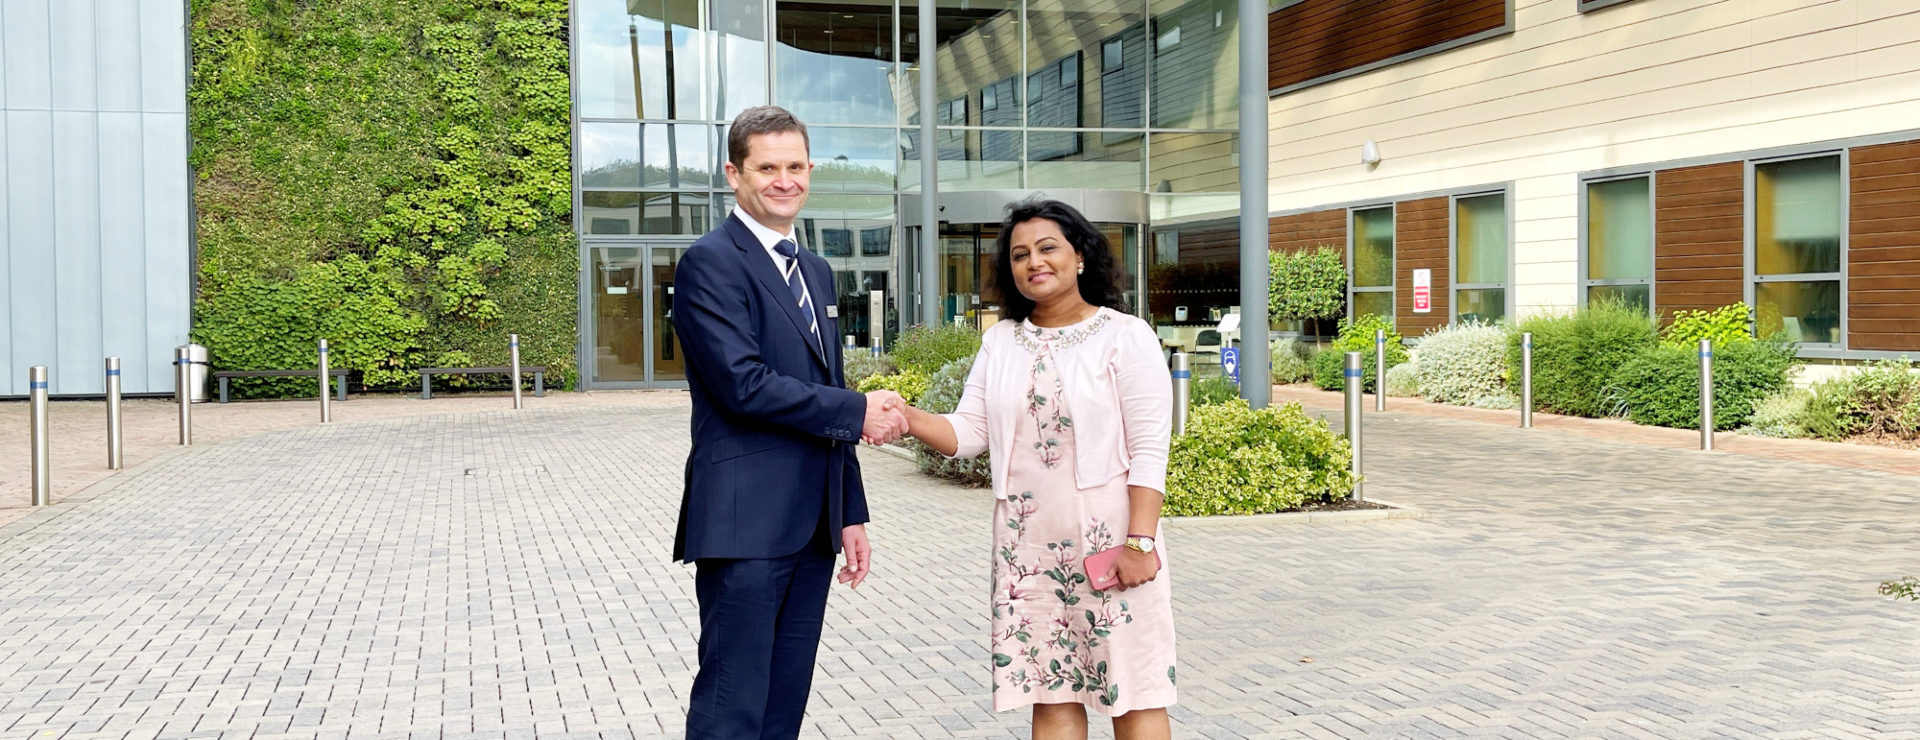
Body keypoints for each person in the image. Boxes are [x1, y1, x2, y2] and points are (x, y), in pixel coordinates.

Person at [886, 199, 1177, 740]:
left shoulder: (1124, 335)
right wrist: (906, 417)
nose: (1033, 262)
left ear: (1081, 257)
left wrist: (1140, 542)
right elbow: (969, 433)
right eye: (1020, 255)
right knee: (1051, 689)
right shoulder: (1000, 340)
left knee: (1134, 690)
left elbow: (1150, 449)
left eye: (1047, 248)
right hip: (1028, 548)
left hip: (1109, 541)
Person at [671, 105, 908, 740]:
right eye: (767, 167)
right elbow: (742, 386)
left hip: (812, 526)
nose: (785, 180)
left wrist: (851, 510)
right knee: (732, 706)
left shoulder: (817, 270)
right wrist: (860, 410)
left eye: (796, 166)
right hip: (746, 524)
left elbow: (823, 388)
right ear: (734, 173)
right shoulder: (710, 263)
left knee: (782, 709)